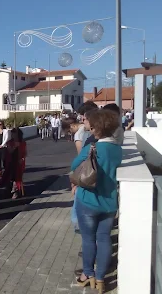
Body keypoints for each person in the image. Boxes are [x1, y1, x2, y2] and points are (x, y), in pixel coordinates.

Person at [72, 109, 122, 293]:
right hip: (109, 202)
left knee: (88, 239)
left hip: (88, 201)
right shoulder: (118, 150)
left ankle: (88, 274)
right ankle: (101, 279)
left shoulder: (92, 148)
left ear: (96, 128)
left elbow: (74, 166)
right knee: (104, 239)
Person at [0, 128, 27, 199]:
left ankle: (16, 191)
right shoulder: (9, 142)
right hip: (10, 162)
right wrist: (15, 146)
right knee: (9, 176)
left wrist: (23, 158)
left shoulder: (22, 142)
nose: (12, 135)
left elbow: (25, 153)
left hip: (19, 162)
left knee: (17, 177)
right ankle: (8, 189)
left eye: (14, 134)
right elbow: (10, 151)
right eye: (12, 134)